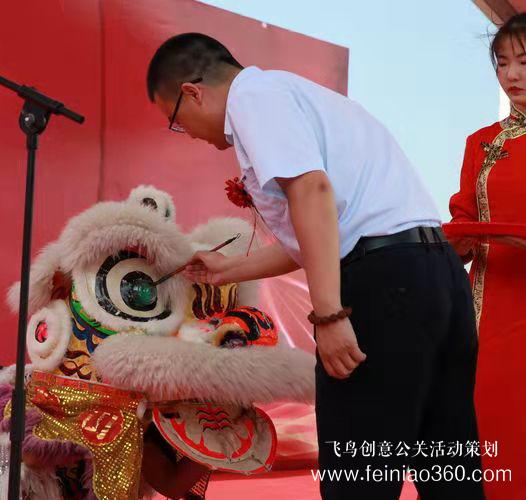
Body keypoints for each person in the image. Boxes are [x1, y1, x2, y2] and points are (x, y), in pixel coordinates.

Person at [146, 33, 484, 499]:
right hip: (436, 275)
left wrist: (329, 314)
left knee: (358, 473)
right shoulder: (300, 97)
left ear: (192, 93)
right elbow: (319, 229)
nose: (192, 136)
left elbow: (313, 193)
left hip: (386, 282)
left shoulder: (254, 99)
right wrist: (227, 270)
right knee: (446, 465)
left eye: (176, 122)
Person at [449, 13, 526, 499]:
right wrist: (457, 241)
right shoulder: (483, 143)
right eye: (502, 64)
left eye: (525, 61)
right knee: (494, 430)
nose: (512, 74)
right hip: (495, 314)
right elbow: (463, 219)